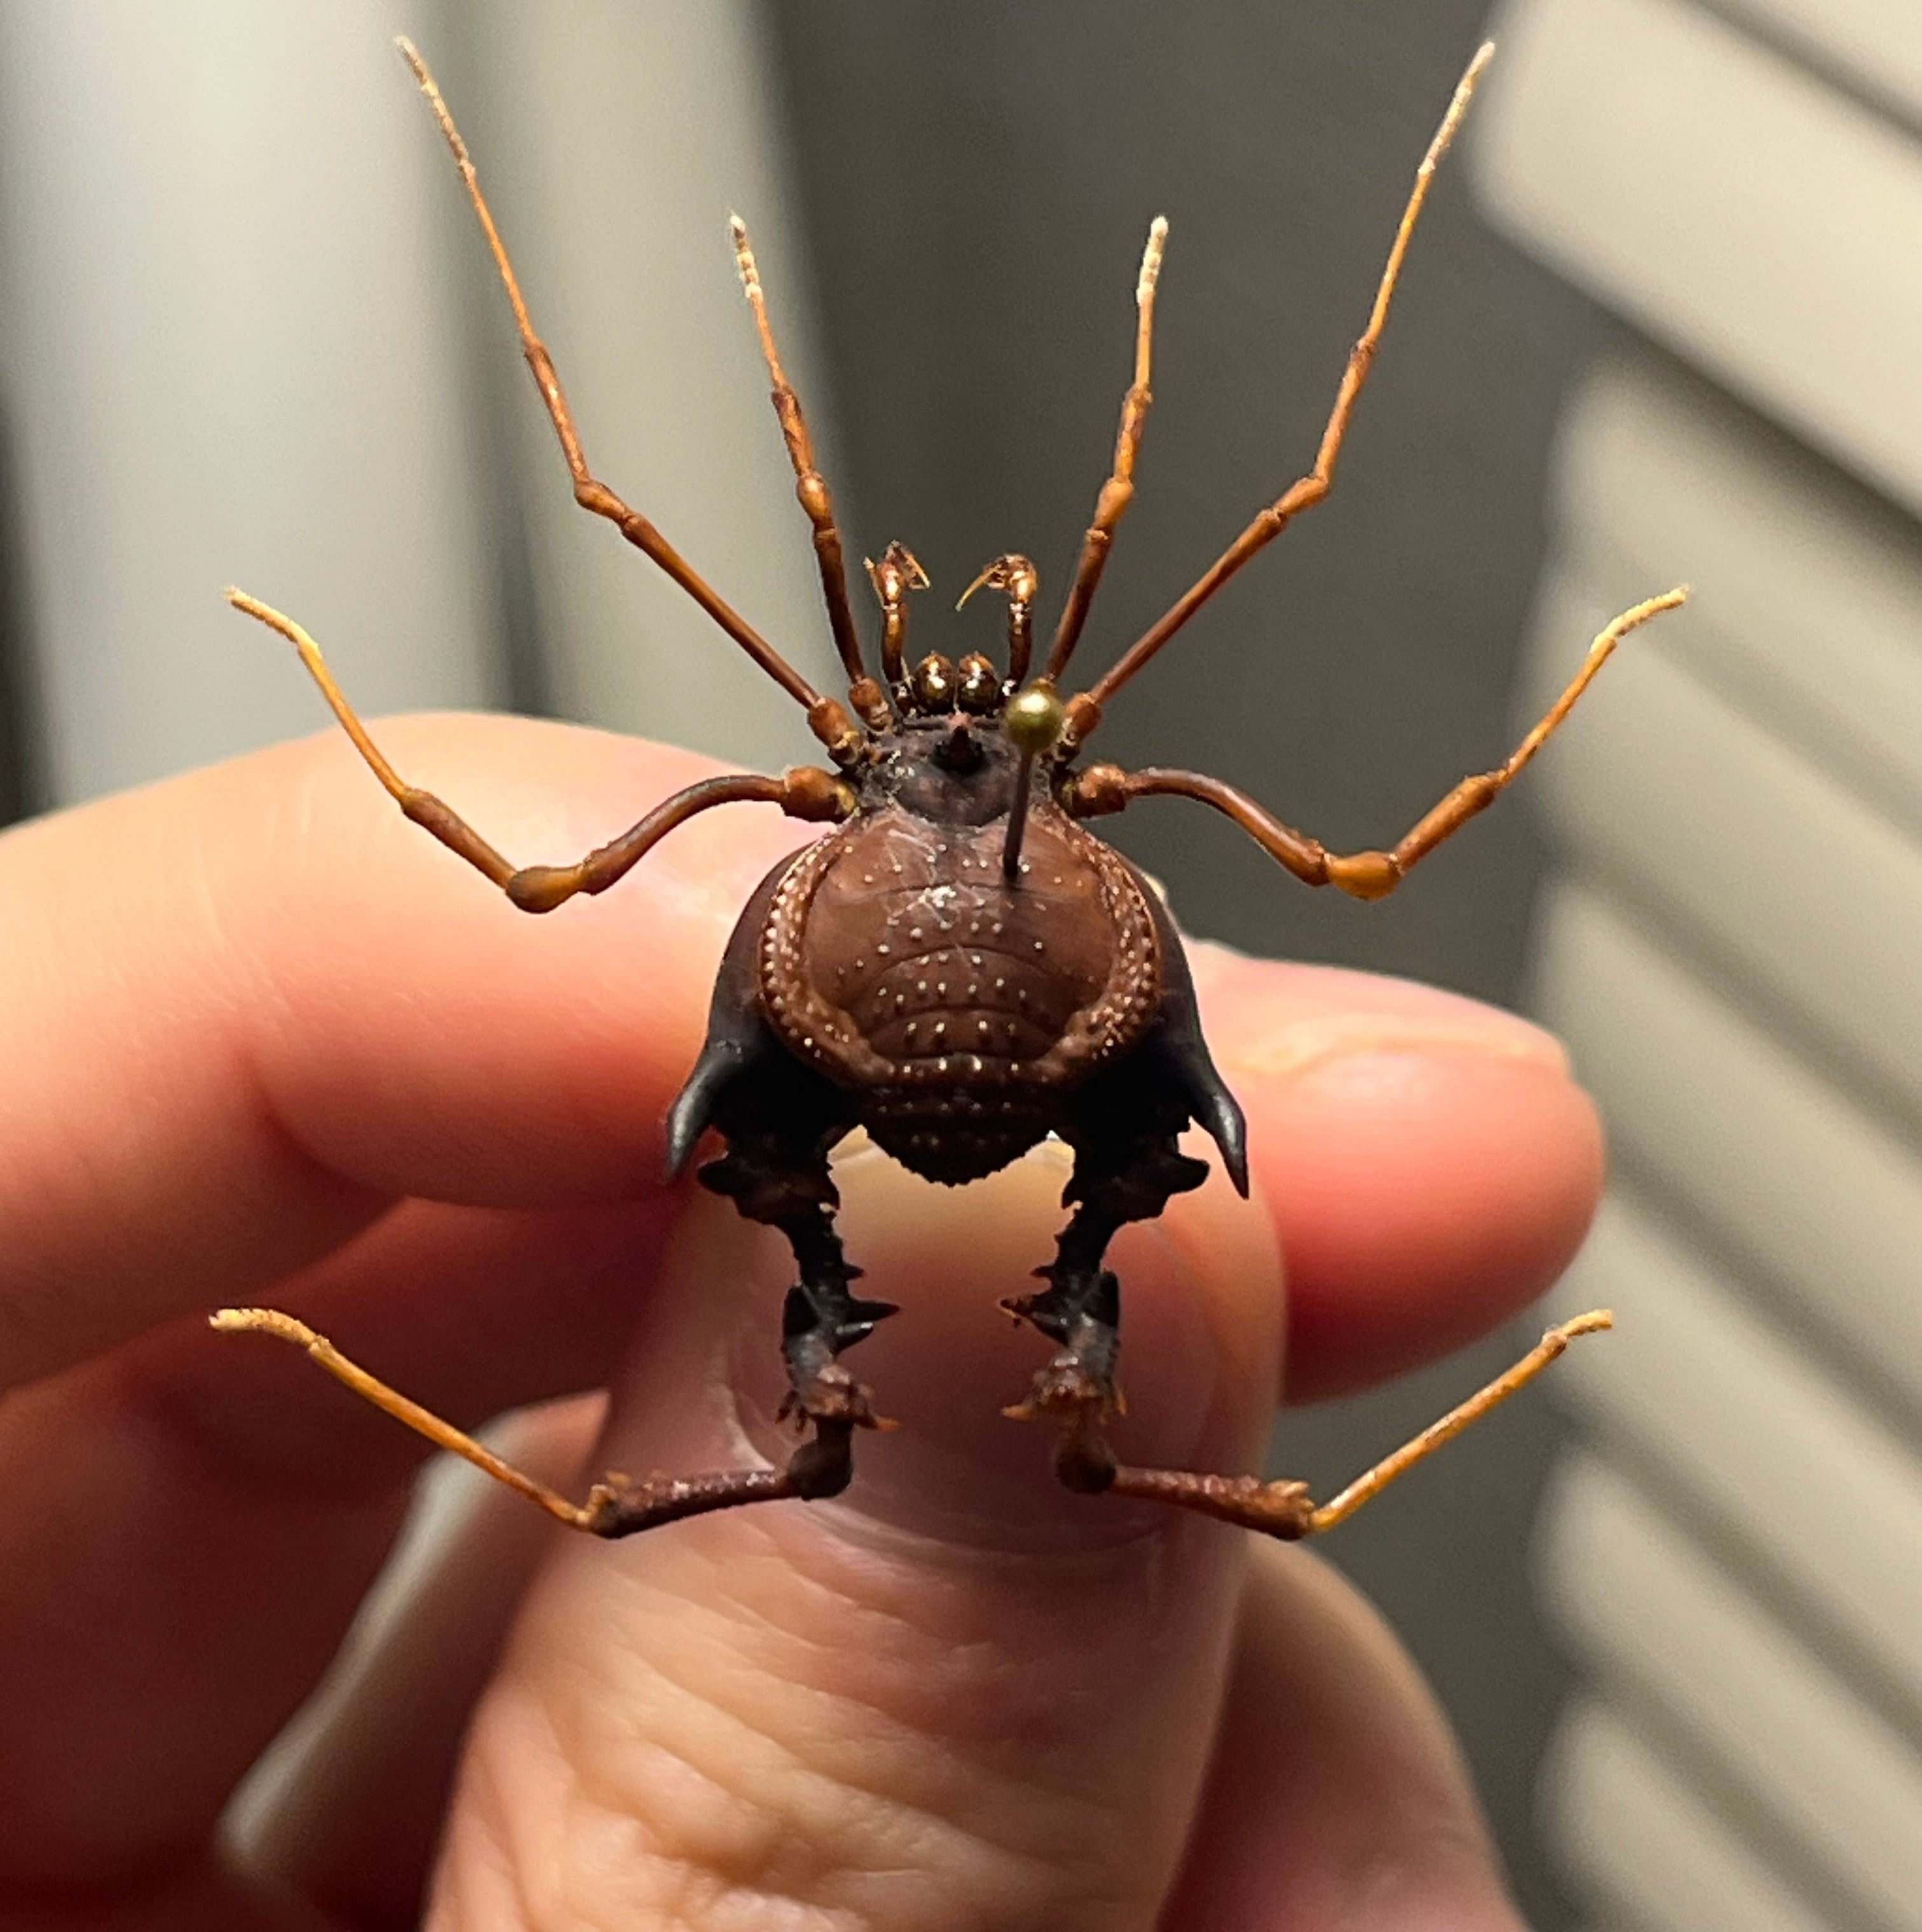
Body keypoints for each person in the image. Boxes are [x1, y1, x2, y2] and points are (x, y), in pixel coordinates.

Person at [0, 712, 1600, 1929]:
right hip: (917, 1039)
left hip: (1009, 1037)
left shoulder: (957, 787)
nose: (961, 748)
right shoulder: (974, 782)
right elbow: (543, 877)